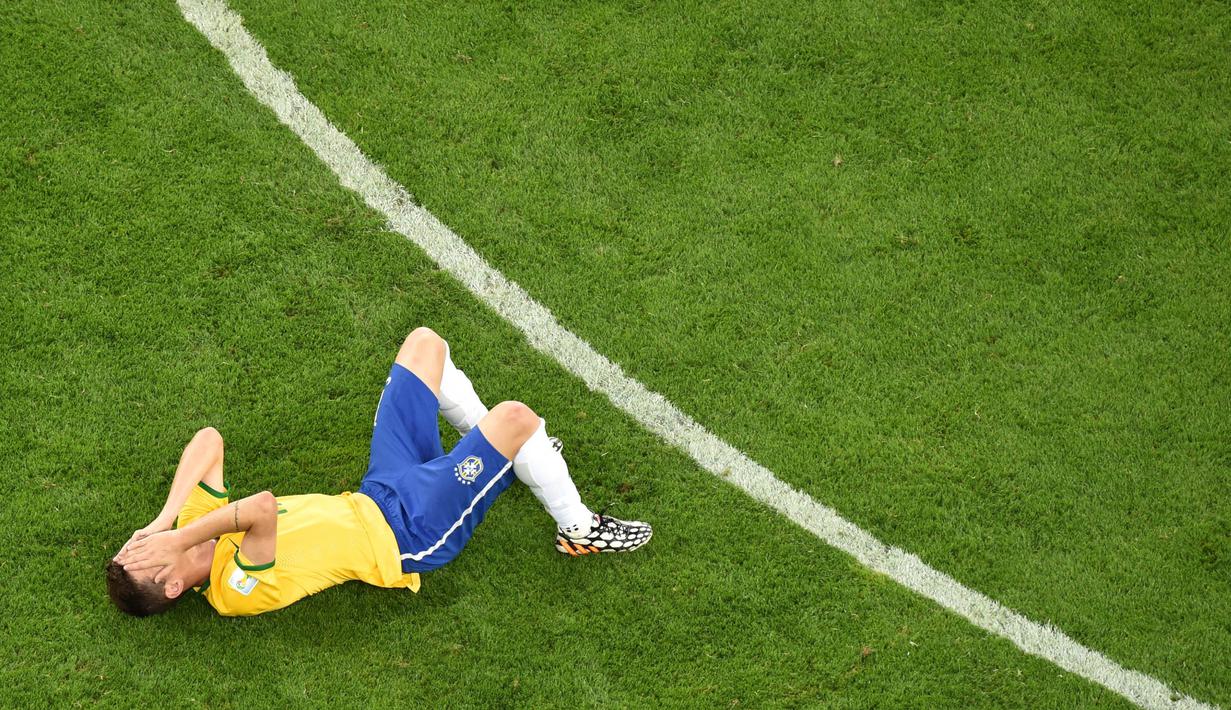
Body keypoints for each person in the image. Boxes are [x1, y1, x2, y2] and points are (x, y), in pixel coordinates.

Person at [107, 327, 652, 617]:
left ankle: (514, 455)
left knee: (424, 345)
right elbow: (260, 509)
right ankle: (579, 531)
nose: (145, 547)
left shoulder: (191, 530)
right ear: (174, 585)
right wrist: (181, 532)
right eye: (148, 560)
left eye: (137, 547)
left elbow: (208, 441)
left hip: (379, 488)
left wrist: (162, 524)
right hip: (407, 532)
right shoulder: (234, 590)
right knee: (515, 418)